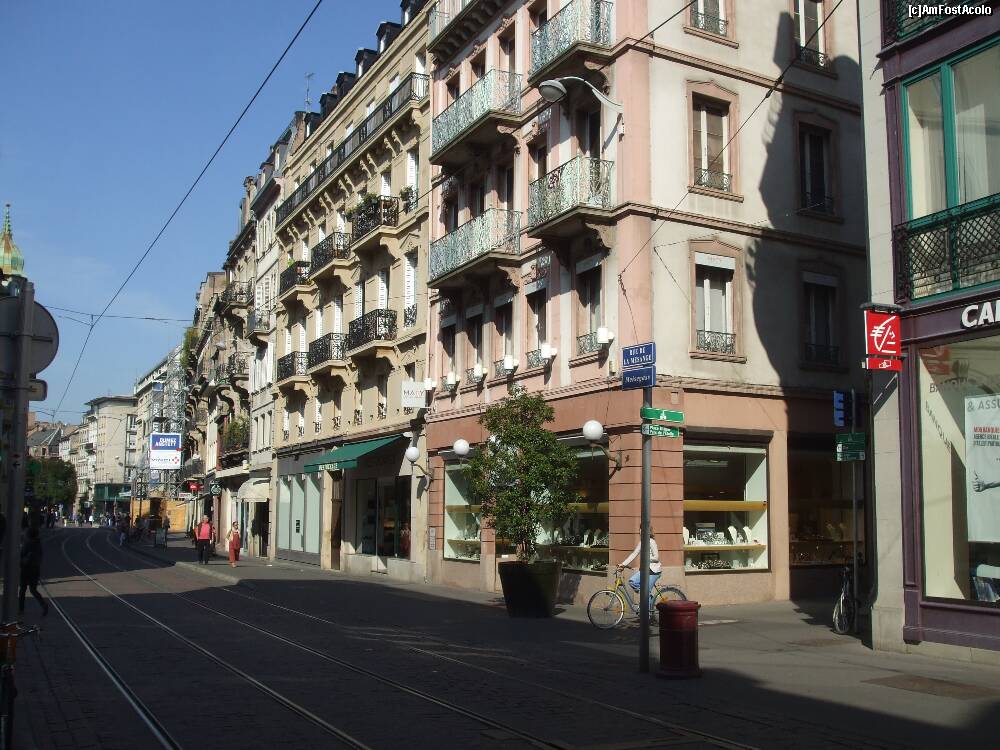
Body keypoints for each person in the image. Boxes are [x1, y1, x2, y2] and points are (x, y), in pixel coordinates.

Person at [618, 532, 662, 613]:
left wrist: (646, 557)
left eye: (642, 530)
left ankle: (648, 614)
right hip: (645, 570)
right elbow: (634, 553)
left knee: (646, 592)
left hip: (654, 571)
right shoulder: (642, 542)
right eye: (640, 531)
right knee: (633, 582)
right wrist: (623, 564)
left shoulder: (651, 541)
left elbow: (656, 557)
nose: (641, 532)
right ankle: (649, 598)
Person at [19, 527, 48, 617]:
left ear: (28, 535)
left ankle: (21, 609)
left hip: (26, 569)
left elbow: (22, 555)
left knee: (22, 589)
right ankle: (43, 605)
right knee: (33, 590)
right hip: (35, 569)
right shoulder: (37, 543)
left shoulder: (27, 544)